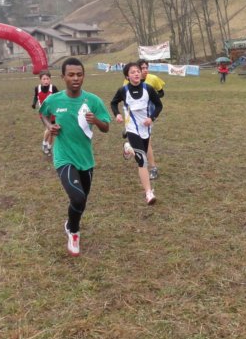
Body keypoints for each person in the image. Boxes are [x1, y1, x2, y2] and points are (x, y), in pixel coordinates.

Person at [38, 57, 110, 257]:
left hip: (85, 159)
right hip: (64, 157)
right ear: (63, 77)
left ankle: (70, 224)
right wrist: (50, 126)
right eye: (71, 75)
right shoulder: (54, 100)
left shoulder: (93, 101)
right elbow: (43, 113)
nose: (75, 78)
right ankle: (74, 233)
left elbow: (106, 127)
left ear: (83, 76)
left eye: (79, 74)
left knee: (81, 201)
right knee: (77, 197)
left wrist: (96, 120)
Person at [111, 62, 163, 205]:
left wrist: (151, 118)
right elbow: (113, 103)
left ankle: (128, 148)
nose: (136, 74)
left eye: (138, 71)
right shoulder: (123, 90)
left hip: (145, 128)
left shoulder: (148, 89)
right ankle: (149, 192)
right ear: (127, 76)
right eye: (132, 72)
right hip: (132, 128)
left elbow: (159, 105)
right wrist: (117, 114)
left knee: (142, 154)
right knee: (142, 160)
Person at [134, 59, 165, 180]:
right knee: (139, 142)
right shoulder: (129, 80)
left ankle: (153, 168)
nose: (145, 70)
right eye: (142, 68)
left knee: (147, 142)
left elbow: (161, 93)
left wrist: (151, 96)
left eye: (146, 67)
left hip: (148, 116)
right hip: (134, 116)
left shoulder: (153, 79)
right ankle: (129, 148)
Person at [32, 70, 59, 155]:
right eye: (44, 79)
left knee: (52, 130)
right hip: (43, 113)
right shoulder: (37, 88)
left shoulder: (53, 88)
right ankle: (44, 144)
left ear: (50, 79)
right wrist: (34, 103)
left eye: (47, 79)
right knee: (49, 128)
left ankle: (49, 147)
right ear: (40, 80)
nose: (46, 81)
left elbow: (59, 97)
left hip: (53, 112)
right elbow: (36, 96)